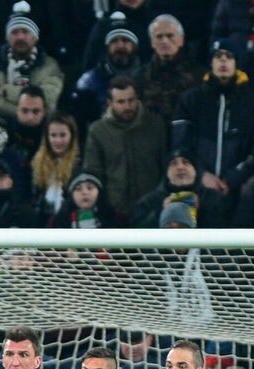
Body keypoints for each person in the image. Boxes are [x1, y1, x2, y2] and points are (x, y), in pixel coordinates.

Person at [172, 39, 254, 198]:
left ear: (236, 63)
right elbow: (180, 145)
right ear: (211, 63)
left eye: (229, 56)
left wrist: (235, 177)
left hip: (240, 190)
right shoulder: (190, 99)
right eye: (218, 56)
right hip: (198, 188)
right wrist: (202, 174)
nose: (223, 60)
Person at [82, 76, 165, 222]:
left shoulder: (155, 125)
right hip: (114, 211)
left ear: (137, 99)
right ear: (109, 103)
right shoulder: (98, 131)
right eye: (121, 102)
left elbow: (165, 167)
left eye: (131, 100)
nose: (127, 107)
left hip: (151, 209)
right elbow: (93, 173)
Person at [0, 2, 64, 122]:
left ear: (35, 38)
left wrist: (8, 92)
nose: (20, 37)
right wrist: (24, 112)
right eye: (14, 32)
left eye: (25, 32)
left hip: (40, 127)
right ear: (8, 37)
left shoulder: (49, 65)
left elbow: (49, 97)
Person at [135, 14, 201, 122]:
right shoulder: (140, 77)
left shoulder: (199, 75)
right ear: (152, 43)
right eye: (159, 37)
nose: (164, 41)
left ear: (181, 40)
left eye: (170, 36)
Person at [30, 112, 81, 221]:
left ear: (72, 136)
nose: (58, 141)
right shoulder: (37, 163)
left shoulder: (79, 164)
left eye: (62, 135)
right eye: (53, 135)